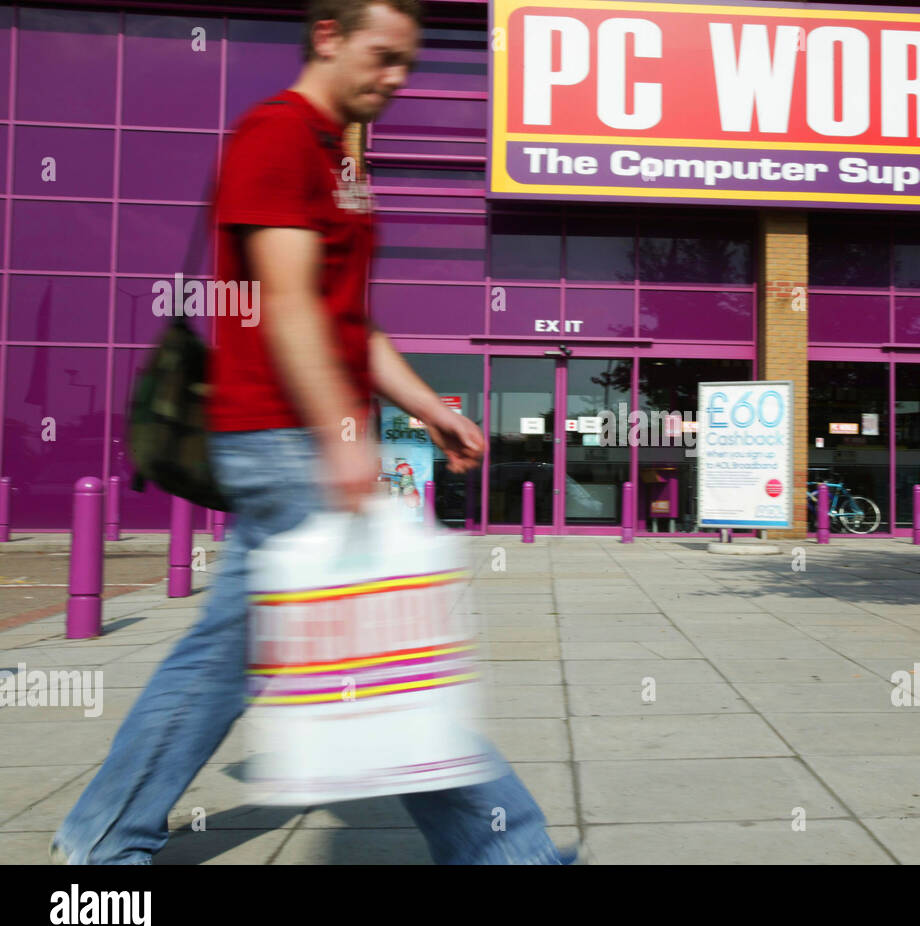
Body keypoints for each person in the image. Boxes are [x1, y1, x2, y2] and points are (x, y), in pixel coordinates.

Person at [52, 0, 577, 865]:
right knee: (385, 655)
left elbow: (347, 324)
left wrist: (430, 408)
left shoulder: (339, 159)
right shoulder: (278, 135)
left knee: (236, 661)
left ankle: (102, 839)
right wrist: (342, 437)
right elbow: (287, 300)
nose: (397, 79)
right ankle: (511, 853)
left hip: (293, 437)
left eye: (408, 62)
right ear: (328, 36)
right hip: (283, 439)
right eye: (384, 57)